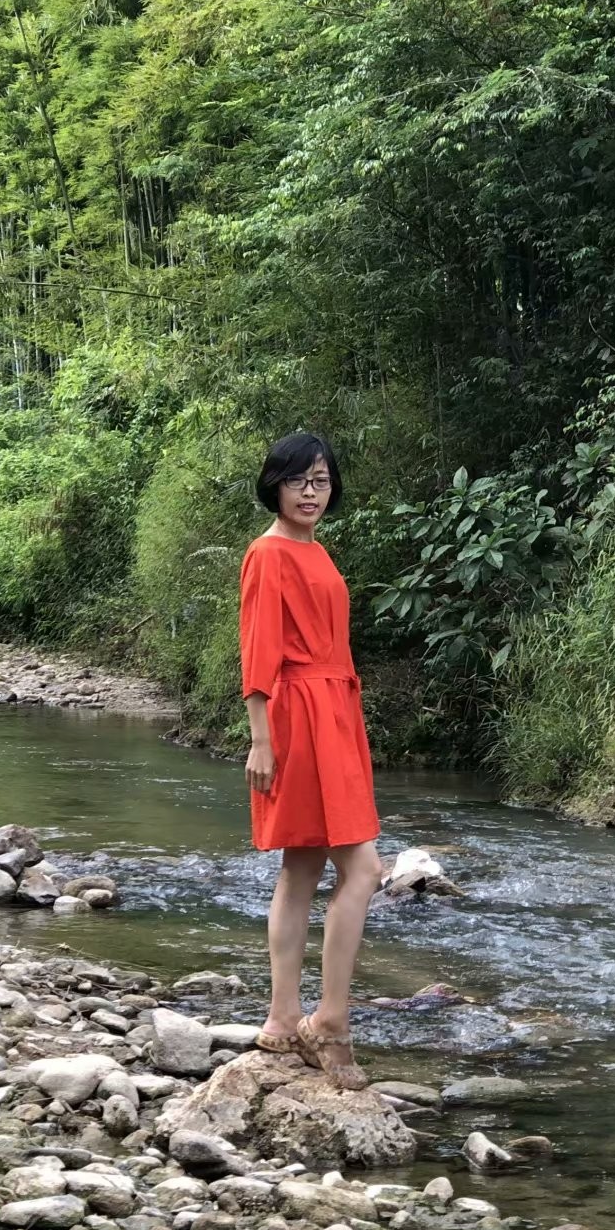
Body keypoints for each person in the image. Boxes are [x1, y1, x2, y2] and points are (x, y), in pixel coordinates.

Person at [240, 430, 383, 1089]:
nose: (310, 492)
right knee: (365, 869)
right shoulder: (269, 555)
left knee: (301, 869)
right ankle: (329, 1019)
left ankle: (280, 1019)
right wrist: (261, 737)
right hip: (298, 714)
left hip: (335, 712)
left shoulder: (317, 550)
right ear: (276, 484)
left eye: (321, 480)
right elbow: (260, 650)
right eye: (299, 480)